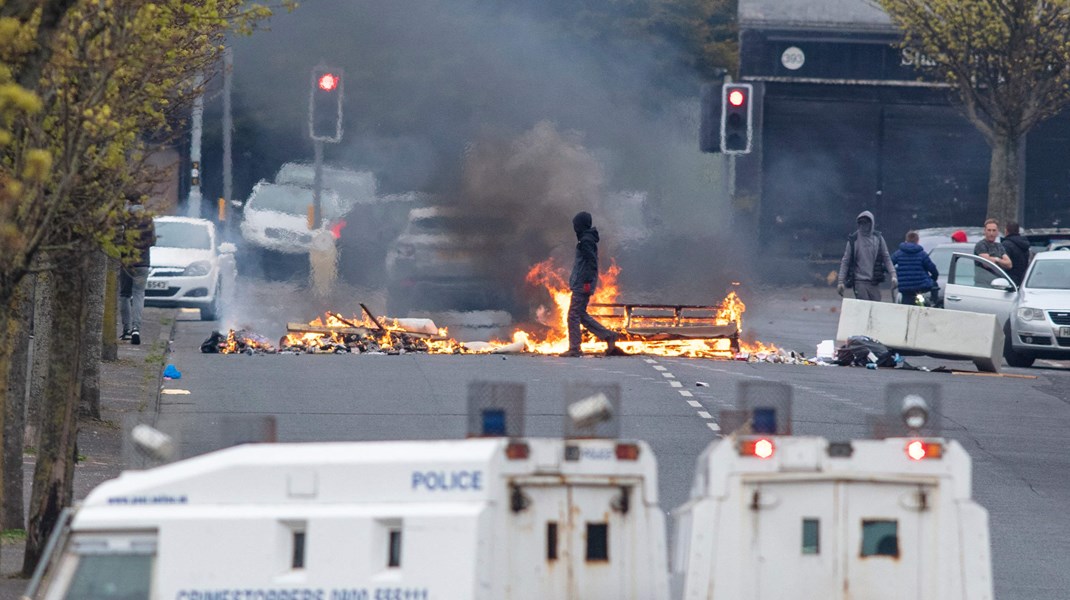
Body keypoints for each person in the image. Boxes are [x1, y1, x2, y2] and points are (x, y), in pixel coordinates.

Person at [561, 211, 622, 357]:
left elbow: (591, 262)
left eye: (576, 224)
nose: (575, 227)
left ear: (580, 225)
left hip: (583, 283)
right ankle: (608, 336)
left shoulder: (586, 241)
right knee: (580, 314)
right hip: (583, 282)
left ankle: (575, 348)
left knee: (573, 315)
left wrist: (587, 282)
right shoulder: (586, 239)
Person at [837, 210, 896, 302]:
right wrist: (841, 281)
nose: (863, 226)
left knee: (876, 307)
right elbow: (846, 261)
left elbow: (886, 258)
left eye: (865, 223)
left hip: (874, 281)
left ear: (871, 223)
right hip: (859, 281)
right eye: (860, 223)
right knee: (864, 306)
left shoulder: (878, 239)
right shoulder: (854, 240)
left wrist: (893, 275)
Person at [119, 198, 156, 345]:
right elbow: (153, 241)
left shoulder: (124, 218)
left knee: (124, 295)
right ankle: (136, 328)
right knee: (139, 294)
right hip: (143, 263)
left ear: (129, 202)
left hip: (127, 262)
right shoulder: (148, 218)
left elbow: (118, 238)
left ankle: (126, 330)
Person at [892, 231, 939, 306]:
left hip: (905, 288)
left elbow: (889, 265)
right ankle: (933, 303)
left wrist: (895, 274)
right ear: (917, 241)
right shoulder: (922, 254)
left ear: (906, 240)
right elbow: (932, 269)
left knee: (906, 307)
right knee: (932, 289)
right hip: (920, 287)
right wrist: (933, 278)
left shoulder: (898, 253)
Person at [973, 218, 1012, 287]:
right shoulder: (981, 245)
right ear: (984, 231)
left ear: (997, 232)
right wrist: (1001, 261)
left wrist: (996, 259)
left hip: (998, 285)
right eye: (989, 230)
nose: (991, 233)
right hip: (983, 285)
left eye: (994, 230)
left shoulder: (999, 246)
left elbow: (1009, 264)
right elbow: (987, 264)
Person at [1001, 221, 1030, 287]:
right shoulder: (1024, 244)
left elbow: (1004, 264)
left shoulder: (1006, 244)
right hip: (1023, 279)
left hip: (1009, 281)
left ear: (1006, 231)